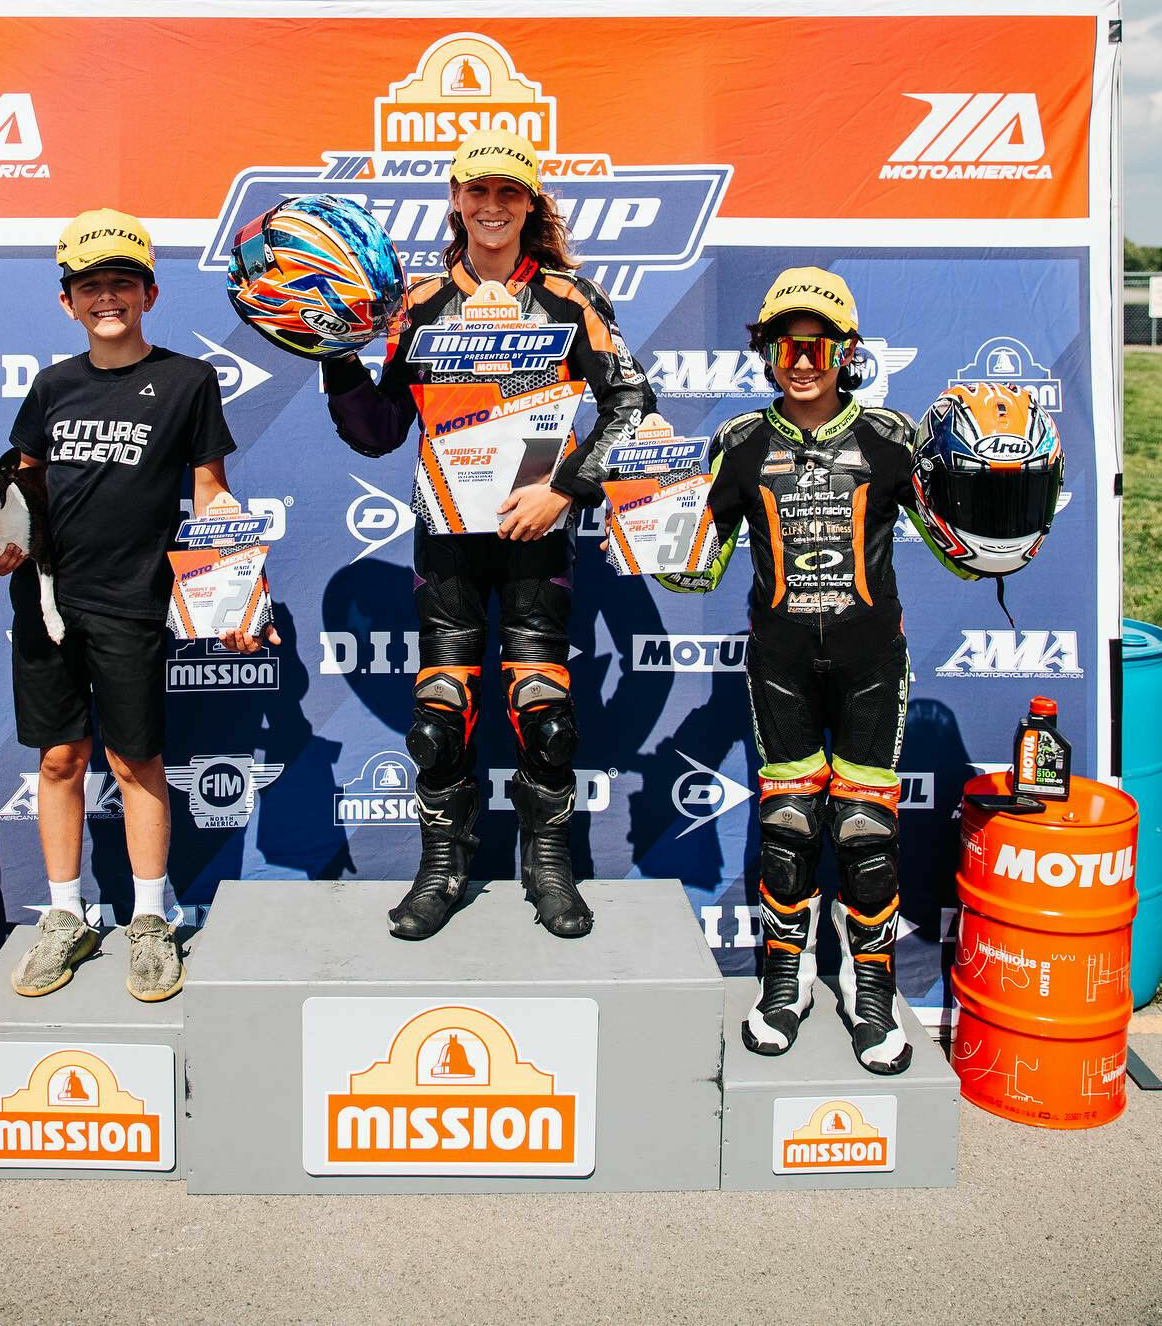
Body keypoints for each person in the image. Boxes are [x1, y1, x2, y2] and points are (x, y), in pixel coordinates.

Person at [323, 130, 653, 941]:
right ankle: (442, 869)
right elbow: (376, 431)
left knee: (545, 714)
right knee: (438, 717)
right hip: (446, 533)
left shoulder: (571, 298)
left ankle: (549, 868)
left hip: (535, 530)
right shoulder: (421, 302)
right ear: (455, 200)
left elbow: (632, 407)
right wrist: (333, 356)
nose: (493, 207)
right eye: (478, 192)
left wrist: (565, 489)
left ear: (531, 204)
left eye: (510, 194)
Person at [664, 267, 973, 1074]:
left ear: (845, 350)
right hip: (780, 664)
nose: (801, 359)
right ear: (764, 351)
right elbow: (698, 567)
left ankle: (869, 993)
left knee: (867, 831)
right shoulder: (738, 442)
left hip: (873, 663)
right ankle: (784, 980)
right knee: (789, 824)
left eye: (817, 343)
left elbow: (958, 553)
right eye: (783, 343)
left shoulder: (890, 439)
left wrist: (998, 531)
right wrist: (655, 538)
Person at [0, 207, 279, 1002]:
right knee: (57, 758)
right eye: (88, 286)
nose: (105, 297)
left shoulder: (187, 381)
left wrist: (239, 594)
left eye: (120, 282)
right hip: (46, 598)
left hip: (133, 603)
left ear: (148, 291)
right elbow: (24, 488)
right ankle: (66, 916)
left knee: (135, 760)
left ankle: (150, 920)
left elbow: (210, 494)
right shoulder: (52, 385)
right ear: (66, 303)